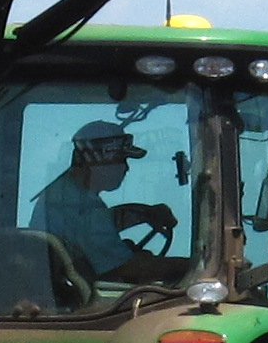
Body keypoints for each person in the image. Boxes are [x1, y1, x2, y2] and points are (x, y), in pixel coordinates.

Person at [27, 118, 177, 282]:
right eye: (123, 159)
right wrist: (192, 267)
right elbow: (127, 268)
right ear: (99, 159)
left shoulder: (66, 195)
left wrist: (145, 215)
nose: (127, 168)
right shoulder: (82, 206)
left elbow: (90, 228)